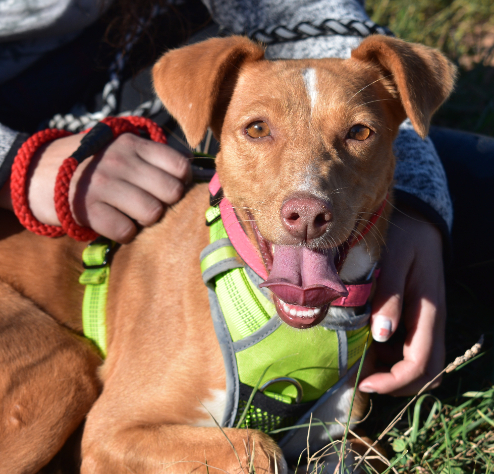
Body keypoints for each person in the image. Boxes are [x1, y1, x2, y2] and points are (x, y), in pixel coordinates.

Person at [0, 0, 448, 397]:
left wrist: (417, 206)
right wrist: (17, 161)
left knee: (475, 196)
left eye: (358, 132)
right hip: (42, 170)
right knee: (57, 387)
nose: (306, 204)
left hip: (180, 101)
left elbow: (310, 19)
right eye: (257, 129)